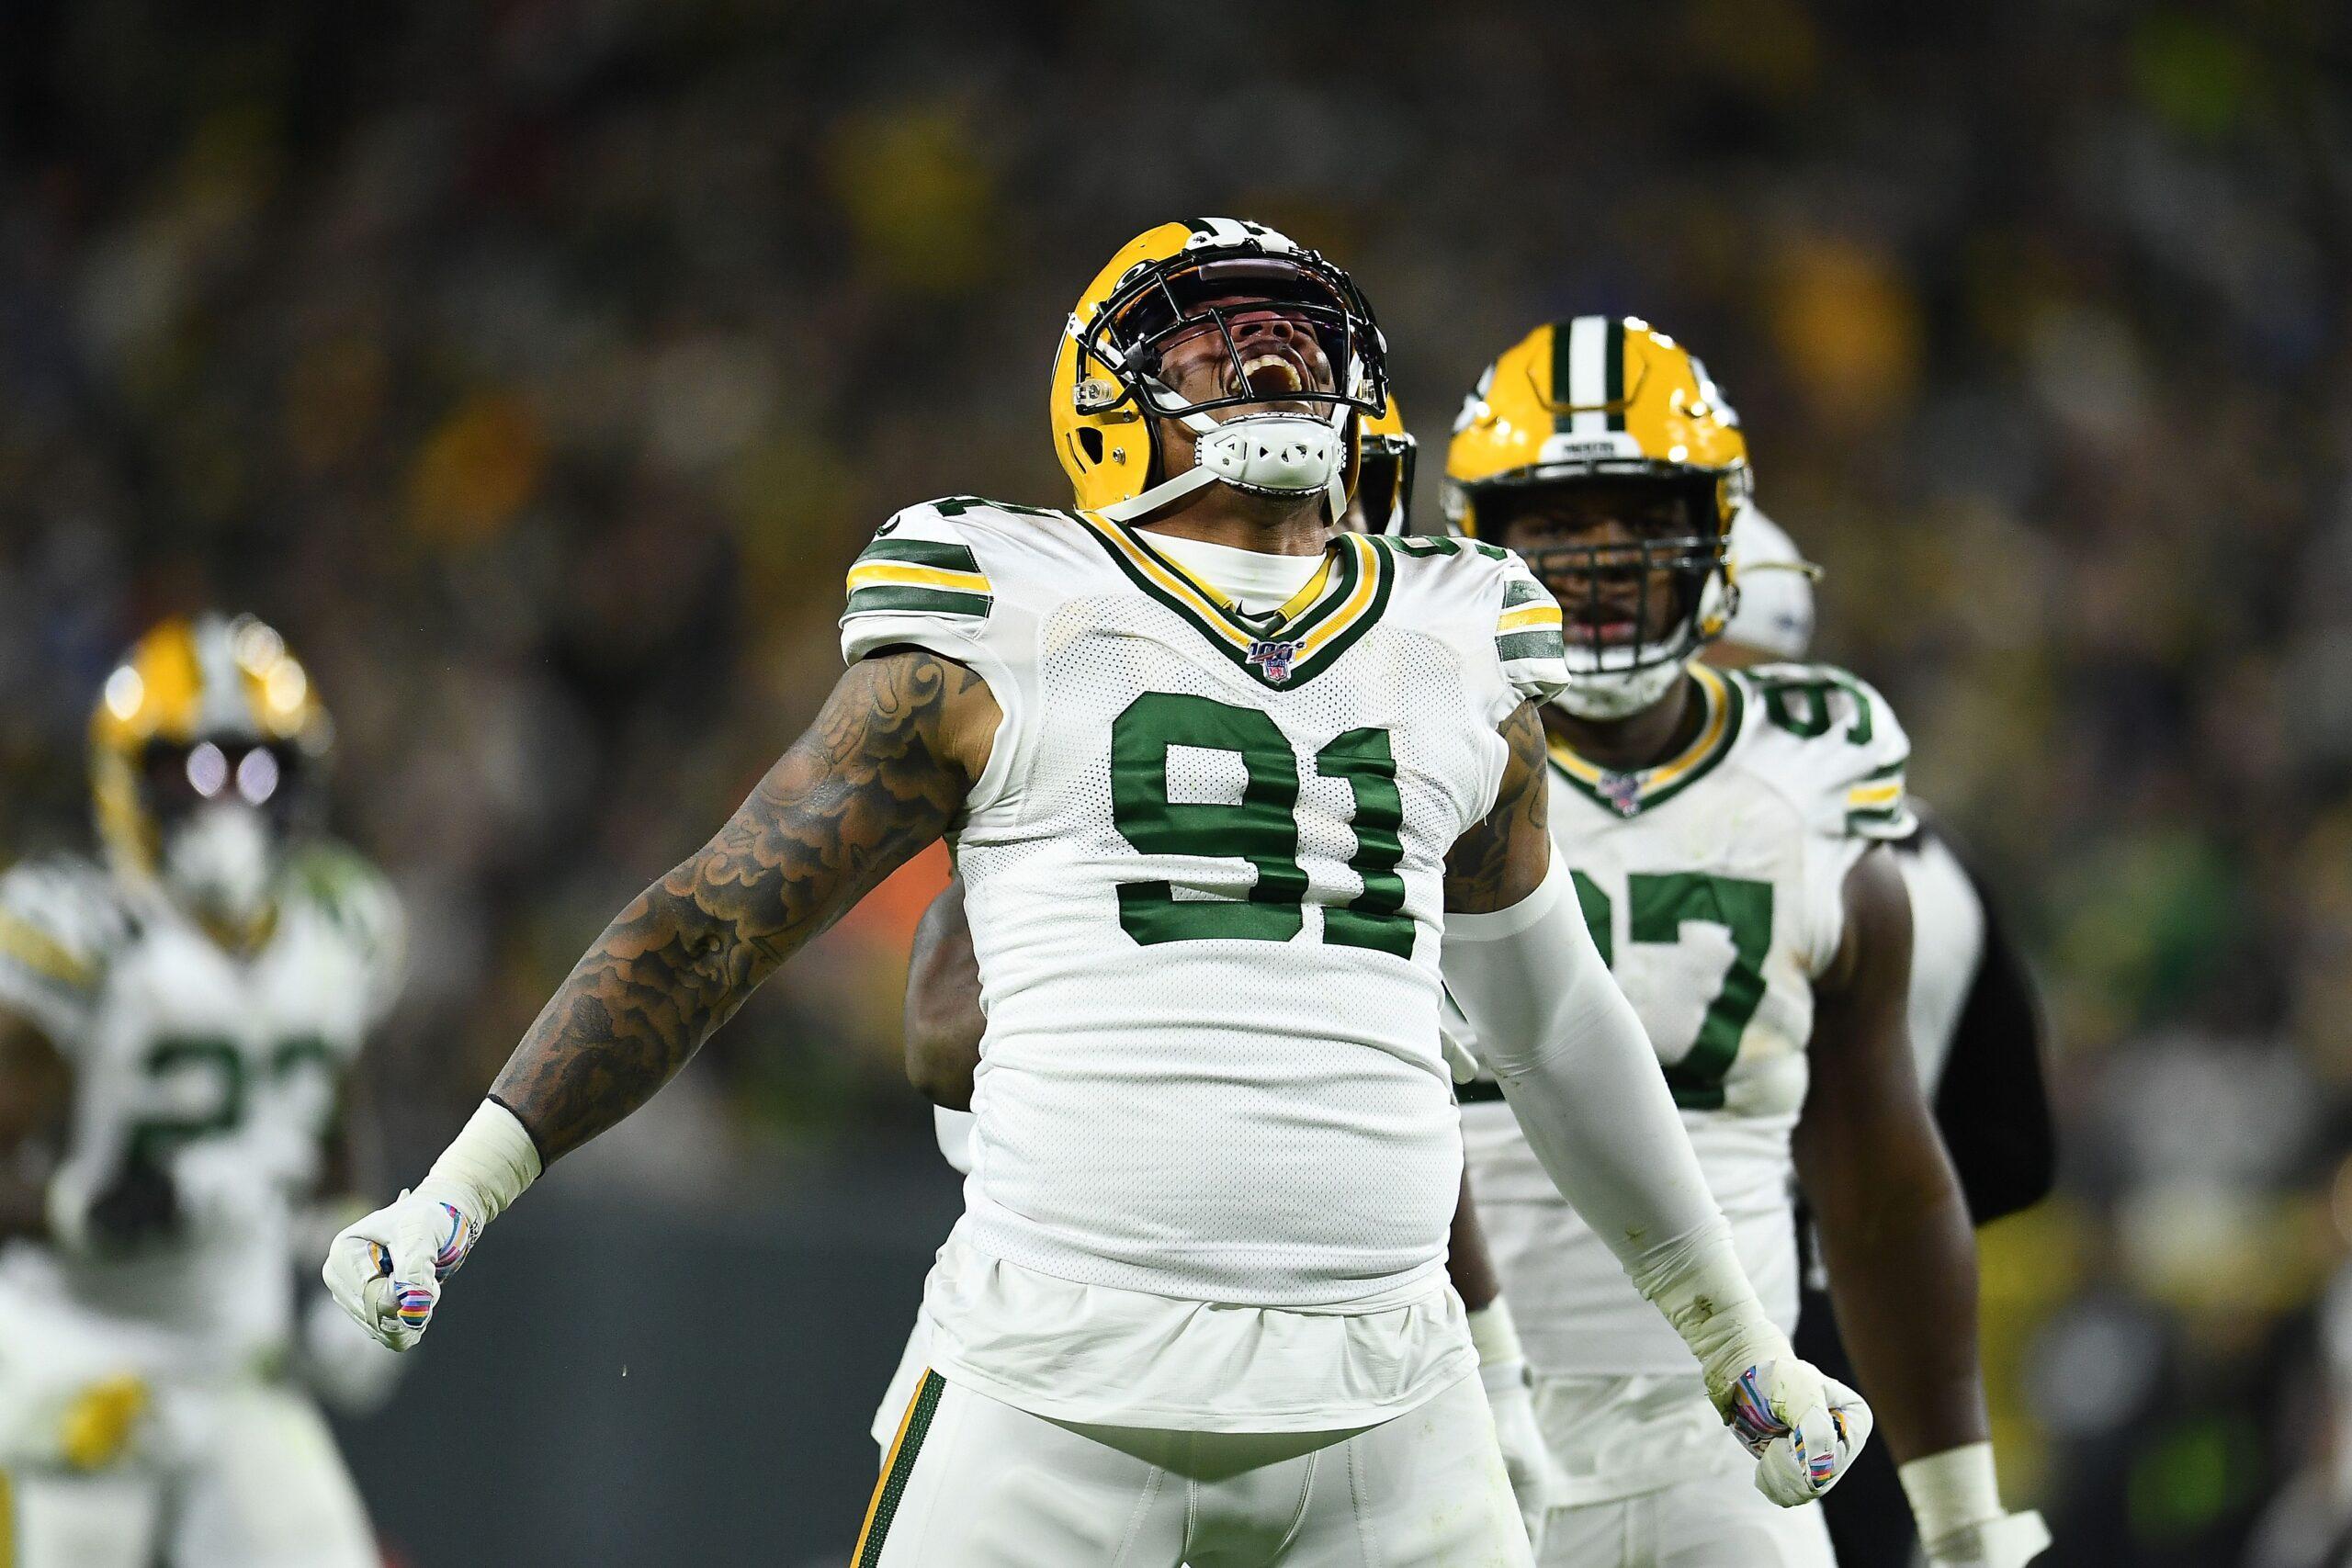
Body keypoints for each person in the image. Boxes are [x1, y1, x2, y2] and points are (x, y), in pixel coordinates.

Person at [325, 222, 1867, 1565]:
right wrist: (458, 1190)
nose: (1271, 361)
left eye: (1300, 335)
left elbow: (1556, 1025)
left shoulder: (1459, 634)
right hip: (1056, 1373)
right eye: (1216, 336)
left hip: (1388, 1390)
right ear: (1105, 401)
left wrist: (1738, 1345)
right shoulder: (1007, 605)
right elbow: (712, 923)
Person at [874, 394, 1575, 1551]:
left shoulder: (1434, 735)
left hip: (1357, 1353)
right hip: (1068, 1336)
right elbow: (940, 1043)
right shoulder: (1073, 680)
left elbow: (1396, 1118)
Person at [1443, 316, 2048, 1568]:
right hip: (1431, 1423)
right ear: (1478, 537)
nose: (1597, 561)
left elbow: (1878, 1183)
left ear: (1719, 536)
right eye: (1556, 522)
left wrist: (1962, 1518)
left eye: (1636, 517)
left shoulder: (1806, 775)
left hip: (1727, 1442)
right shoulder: (1394, 747)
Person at [0, 613, 405, 1568]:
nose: (227, 805)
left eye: (258, 772)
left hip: (233, 1360)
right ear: (126, 779)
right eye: (195, 772)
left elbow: (332, 1131)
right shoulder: (79, 931)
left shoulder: (338, 924)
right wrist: (83, 1206)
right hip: (73, 1346)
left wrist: (355, 1262)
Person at [1708, 502, 2058, 1565]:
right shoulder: (1933, 856)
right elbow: (2013, 1154)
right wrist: (1887, 1235)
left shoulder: (1644, 842)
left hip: (1691, 1322)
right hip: (1875, 1334)